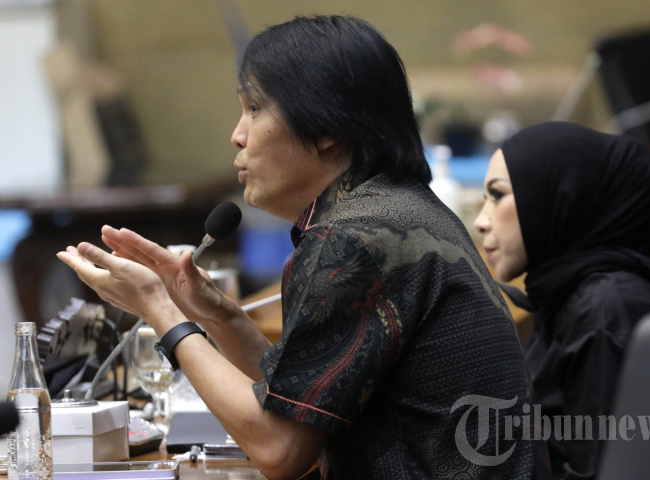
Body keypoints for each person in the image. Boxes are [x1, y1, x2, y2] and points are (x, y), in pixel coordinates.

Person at [57, 15, 549, 480]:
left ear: (327, 127)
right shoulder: (400, 209)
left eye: (254, 108)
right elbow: (299, 404)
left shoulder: (352, 239)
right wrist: (219, 315)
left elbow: (281, 450)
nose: (237, 135)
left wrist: (160, 311)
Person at [474, 121, 650, 480]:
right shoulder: (567, 295)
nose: (481, 221)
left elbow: (600, 471)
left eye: (497, 195)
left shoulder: (606, 309)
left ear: (562, 198)